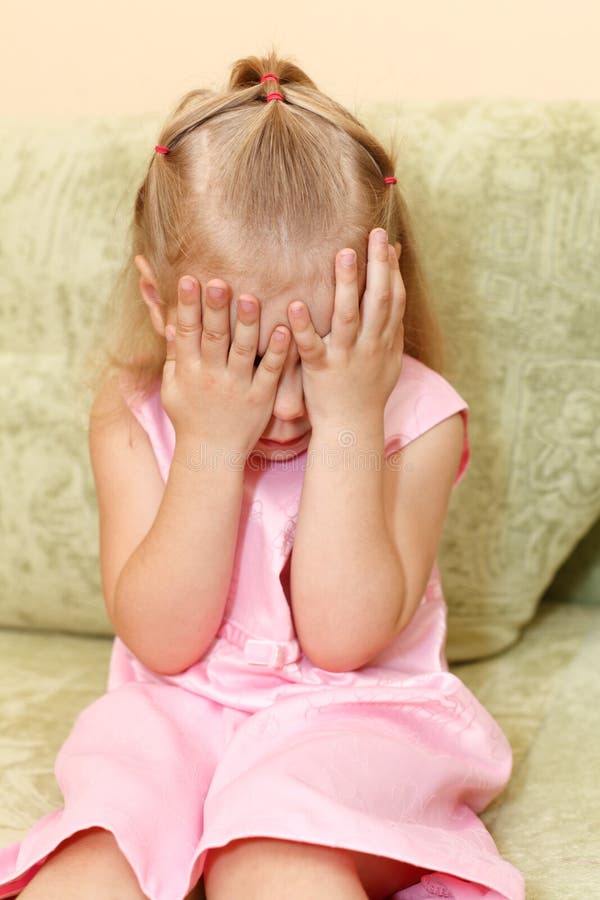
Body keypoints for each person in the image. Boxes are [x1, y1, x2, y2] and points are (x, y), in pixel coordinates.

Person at [0, 51, 525, 900]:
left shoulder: (418, 418)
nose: (281, 409)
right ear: (159, 301)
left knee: (273, 851)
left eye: (316, 357)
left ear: (382, 305)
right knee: (99, 854)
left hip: (357, 719)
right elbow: (162, 640)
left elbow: (344, 639)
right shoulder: (130, 412)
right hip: (178, 713)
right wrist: (208, 444)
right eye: (246, 357)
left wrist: (351, 418)